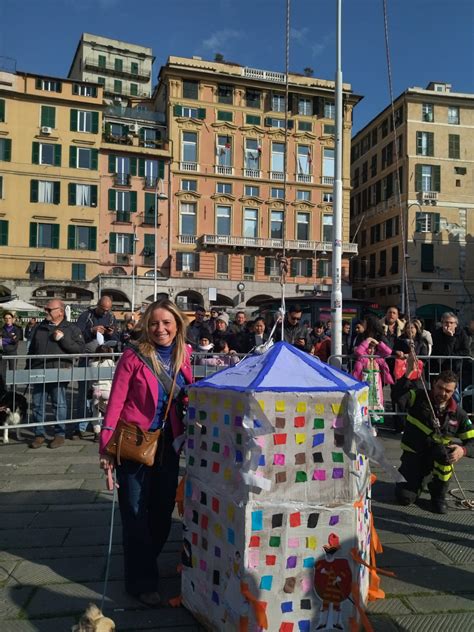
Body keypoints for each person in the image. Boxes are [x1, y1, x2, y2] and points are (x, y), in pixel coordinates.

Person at [99, 299, 193, 606]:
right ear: (146, 326)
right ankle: (141, 582)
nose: (160, 329)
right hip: (134, 442)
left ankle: (142, 561)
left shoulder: (185, 356)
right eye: (154, 323)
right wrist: (106, 448)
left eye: (167, 323)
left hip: (169, 443)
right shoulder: (133, 356)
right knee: (135, 512)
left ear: (177, 325)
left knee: (162, 512)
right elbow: (115, 402)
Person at [394, 369, 474, 514]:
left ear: (454, 391)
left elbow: (472, 442)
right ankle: (418, 481)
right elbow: (398, 397)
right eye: (440, 388)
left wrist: (463, 450)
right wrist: (406, 375)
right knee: (405, 498)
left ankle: (438, 495)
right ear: (434, 383)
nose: (443, 393)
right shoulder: (417, 397)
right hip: (414, 456)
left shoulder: (459, 414)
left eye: (448, 391)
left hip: (437, 458)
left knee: (447, 453)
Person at [28, 299, 85, 449]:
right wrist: (28, 367)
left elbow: (79, 349)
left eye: (49, 310)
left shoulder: (71, 328)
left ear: (60, 311)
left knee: (59, 403)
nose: (46, 312)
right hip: (39, 370)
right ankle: (39, 434)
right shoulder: (40, 327)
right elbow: (32, 348)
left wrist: (62, 339)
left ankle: (59, 434)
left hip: (59, 371)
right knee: (37, 404)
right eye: (46, 309)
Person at [75, 296, 119, 436]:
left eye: (108, 310)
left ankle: (99, 427)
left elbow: (116, 339)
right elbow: (77, 335)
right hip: (87, 359)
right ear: (98, 305)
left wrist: (112, 334)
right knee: (84, 393)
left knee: (104, 393)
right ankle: (81, 426)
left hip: (105, 360)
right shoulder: (86, 316)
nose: (105, 312)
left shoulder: (111, 318)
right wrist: (92, 331)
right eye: (103, 309)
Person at [353, 334, 393, 433]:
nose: (371, 350)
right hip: (365, 385)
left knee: (375, 404)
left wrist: (379, 343)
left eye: (373, 348)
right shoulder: (363, 358)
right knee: (364, 404)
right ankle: (365, 425)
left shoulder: (378, 358)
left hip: (376, 388)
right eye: (369, 348)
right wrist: (368, 340)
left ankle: (374, 426)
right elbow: (358, 351)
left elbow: (388, 352)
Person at [89, 344, 117, 442]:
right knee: (109, 412)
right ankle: (109, 430)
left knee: (96, 413)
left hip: (96, 390)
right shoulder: (110, 362)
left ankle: (97, 432)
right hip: (107, 390)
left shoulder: (92, 363)